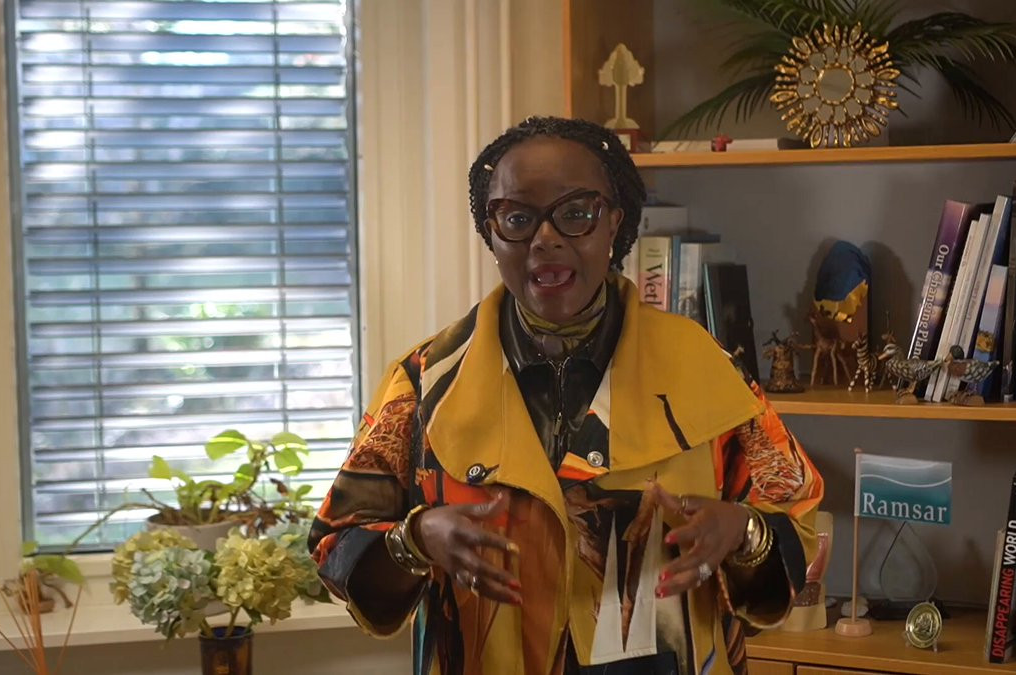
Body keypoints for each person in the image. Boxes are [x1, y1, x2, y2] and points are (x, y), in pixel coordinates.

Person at [308, 116, 823, 675]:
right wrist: (417, 538)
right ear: (491, 232)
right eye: (518, 218)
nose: (546, 239)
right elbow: (336, 546)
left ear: (614, 223)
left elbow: (795, 518)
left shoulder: (708, 371)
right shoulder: (425, 383)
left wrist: (744, 532)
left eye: (576, 213)